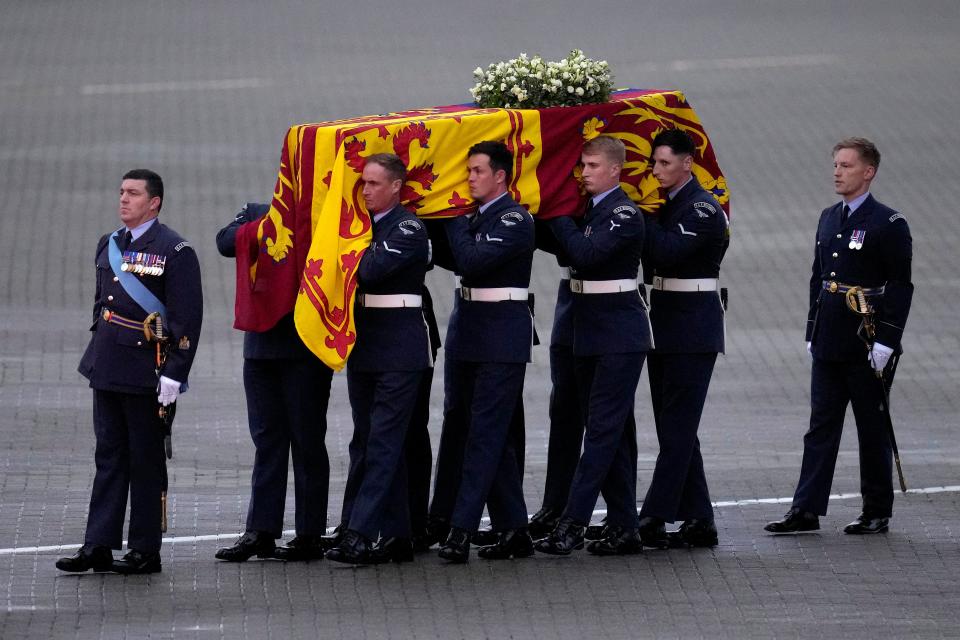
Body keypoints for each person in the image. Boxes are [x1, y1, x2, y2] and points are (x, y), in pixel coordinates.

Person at [56, 169, 202, 574]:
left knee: (145, 460)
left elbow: (188, 318)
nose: (124, 199)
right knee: (109, 456)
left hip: (145, 370)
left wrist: (175, 372)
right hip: (106, 364)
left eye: (133, 194)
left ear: (153, 202)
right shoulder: (110, 244)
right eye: (122, 192)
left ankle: (144, 549)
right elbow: (101, 304)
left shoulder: (175, 250)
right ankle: (98, 544)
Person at [765, 137, 912, 536]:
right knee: (821, 425)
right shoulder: (829, 217)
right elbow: (820, 278)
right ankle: (806, 509)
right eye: (835, 165)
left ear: (869, 172)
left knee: (871, 426)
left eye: (846, 166)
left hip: (866, 340)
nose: (837, 172)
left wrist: (887, 340)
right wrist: (812, 329)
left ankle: (876, 509)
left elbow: (900, 285)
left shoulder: (888, 223)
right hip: (830, 336)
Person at [534, 135, 651, 556]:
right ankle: (624, 526)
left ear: (616, 169)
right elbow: (558, 243)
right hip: (588, 332)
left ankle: (573, 523)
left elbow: (586, 254)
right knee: (611, 432)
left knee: (601, 432)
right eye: (581, 166)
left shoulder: (622, 213)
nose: (584, 173)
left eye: (592, 166)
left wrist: (559, 213)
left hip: (619, 335)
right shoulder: (589, 210)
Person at [325, 153, 432, 564]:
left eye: (373, 184)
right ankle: (395, 534)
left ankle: (360, 533)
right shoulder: (365, 225)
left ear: (395, 187)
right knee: (365, 442)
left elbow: (367, 270)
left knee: (383, 443)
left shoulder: (407, 228)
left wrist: (349, 245)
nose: (365, 190)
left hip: (400, 349)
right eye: (363, 183)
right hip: (366, 344)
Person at [214, 203, 333, 562]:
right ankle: (261, 531)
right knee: (267, 441)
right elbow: (224, 241)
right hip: (262, 348)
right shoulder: (260, 211)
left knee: (307, 441)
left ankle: (310, 534)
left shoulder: (322, 216)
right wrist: (267, 223)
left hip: (306, 349)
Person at [435, 141, 536, 563]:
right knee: (467, 429)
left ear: (500, 176)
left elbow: (472, 260)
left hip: (500, 336)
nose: (470, 178)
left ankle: (460, 528)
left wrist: (453, 220)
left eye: (477, 171)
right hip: (468, 329)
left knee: (486, 434)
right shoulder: (477, 218)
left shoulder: (515, 218)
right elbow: (449, 257)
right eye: (468, 171)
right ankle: (514, 529)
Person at [637, 129, 729, 549]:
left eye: (664, 163)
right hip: (666, 325)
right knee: (675, 427)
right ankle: (700, 519)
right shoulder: (668, 206)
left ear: (688, 163)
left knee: (676, 428)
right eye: (654, 163)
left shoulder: (703, 209)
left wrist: (637, 218)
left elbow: (669, 254)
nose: (656, 171)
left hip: (693, 330)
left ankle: (654, 516)